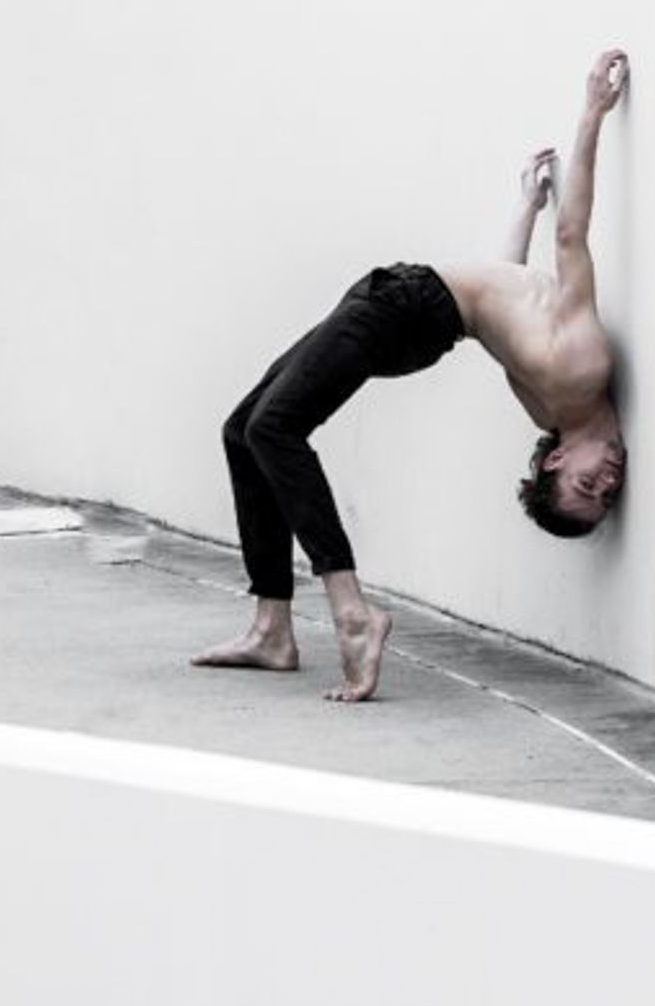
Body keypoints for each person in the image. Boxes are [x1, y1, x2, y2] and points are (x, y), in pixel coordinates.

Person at [193, 47, 631, 701]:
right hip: (412, 310)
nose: (608, 483)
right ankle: (271, 628)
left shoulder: (556, 401)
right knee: (244, 429)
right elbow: (550, 256)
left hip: (408, 309)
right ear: (554, 458)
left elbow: (496, 305)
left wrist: (585, 118)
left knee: (273, 428)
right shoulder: (575, 372)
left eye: (592, 492)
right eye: (596, 489)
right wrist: (579, 131)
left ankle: (352, 612)